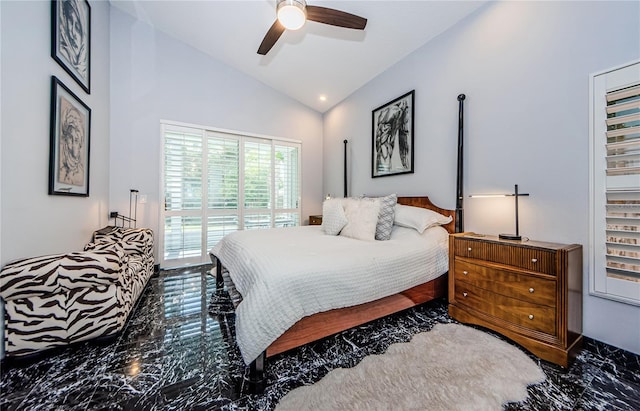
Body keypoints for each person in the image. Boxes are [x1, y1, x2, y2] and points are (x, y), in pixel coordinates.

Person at [58, 100, 85, 186]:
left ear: (80, 144)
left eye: (76, 140)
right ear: (66, 139)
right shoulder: (62, 170)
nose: (73, 144)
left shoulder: (80, 172)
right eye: (70, 138)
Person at [59, 0, 87, 80]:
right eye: (70, 22)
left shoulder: (83, 65)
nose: (73, 31)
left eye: (77, 27)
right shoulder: (63, 49)